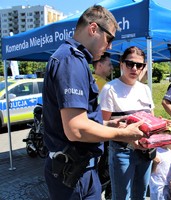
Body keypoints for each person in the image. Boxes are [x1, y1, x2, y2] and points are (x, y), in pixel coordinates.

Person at [43, 6, 144, 200]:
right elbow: (76, 129)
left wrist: (107, 124)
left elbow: (79, 119)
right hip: (72, 174)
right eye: (110, 39)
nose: (110, 47)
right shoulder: (71, 61)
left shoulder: (72, 58)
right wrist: (123, 134)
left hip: (78, 170)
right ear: (93, 29)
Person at [99, 46, 154, 200]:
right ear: (122, 64)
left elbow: (152, 121)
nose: (134, 68)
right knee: (122, 197)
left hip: (145, 151)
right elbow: (101, 124)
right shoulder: (110, 89)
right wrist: (121, 130)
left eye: (139, 65)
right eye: (130, 64)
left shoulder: (145, 89)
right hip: (122, 151)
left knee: (141, 196)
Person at [92, 52, 113, 199]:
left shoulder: (89, 80)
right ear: (99, 65)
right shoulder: (104, 85)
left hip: (94, 131)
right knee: (105, 167)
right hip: (105, 131)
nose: (112, 67)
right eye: (109, 64)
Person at [149, 124, 171, 200]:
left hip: (167, 185)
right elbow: (150, 172)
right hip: (157, 187)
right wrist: (155, 164)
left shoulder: (170, 151)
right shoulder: (155, 151)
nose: (168, 137)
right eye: (165, 134)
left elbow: (170, 168)